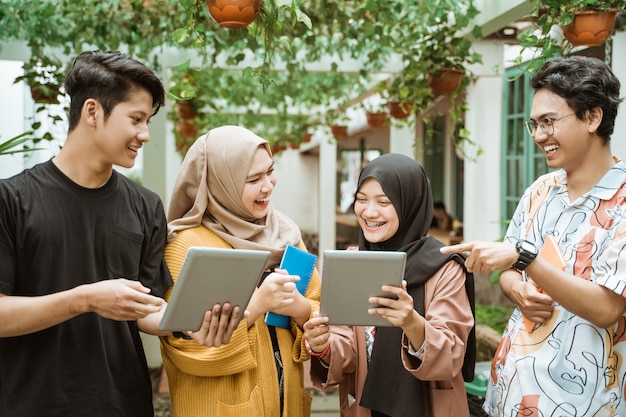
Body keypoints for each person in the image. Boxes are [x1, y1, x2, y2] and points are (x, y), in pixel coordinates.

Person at [0, 50, 240, 417]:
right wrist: (84, 299)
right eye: (137, 119)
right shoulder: (12, 199)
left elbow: (145, 309)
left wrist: (190, 325)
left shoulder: (145, 206)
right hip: (31, 403)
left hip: (121, 403)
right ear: (93, 112)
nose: (144, 134)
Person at [441, 55, 626, 416]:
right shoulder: (540, 191)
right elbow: (510, 273)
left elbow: (607, 308)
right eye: (534, 124)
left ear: (593, 117)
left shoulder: (623, 201)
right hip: (509, 393)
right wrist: (518, 290)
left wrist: (526, 260)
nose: (540, 135)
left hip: (584, 404)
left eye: (549, 122)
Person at [160, 125, 321, 416]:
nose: (268, 185)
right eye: (253, 179)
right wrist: (259, 304)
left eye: (270, 172)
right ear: (220, 184)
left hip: (288, 403)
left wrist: (301, 310)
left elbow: (318, 308)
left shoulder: (285, 234)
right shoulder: (187, 246)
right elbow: (184, 348)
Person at [303, 153, 476, 417]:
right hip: (367, 408)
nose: (369, 212)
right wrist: (322, 345)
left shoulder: (444, 267)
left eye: (384, 202)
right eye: (361, 200)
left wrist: (412, 323)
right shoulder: (352, 261)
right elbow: (347, 347)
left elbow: (452, 354)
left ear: (410, 204)